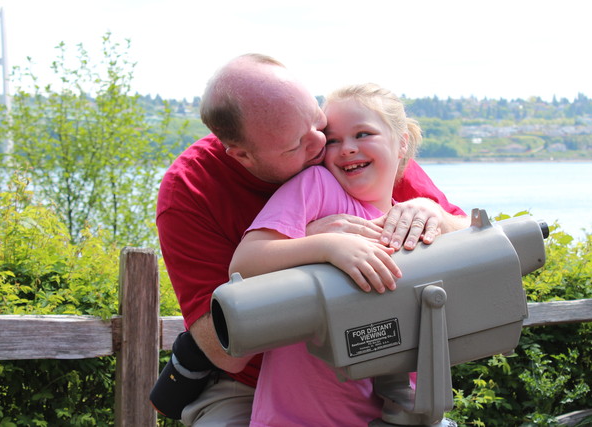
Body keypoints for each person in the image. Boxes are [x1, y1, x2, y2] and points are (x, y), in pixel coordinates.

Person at [156, 54, 467, 425]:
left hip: (373, 375)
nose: (323, 146)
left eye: (319, 124)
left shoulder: (343, 146)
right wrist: (308, 245)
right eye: (297, 146)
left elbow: (463, 231)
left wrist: (433, 214)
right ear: (242, 154)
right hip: (250, 385)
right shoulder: (190, 191)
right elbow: (226, 350)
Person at [230, 83, 457, 426]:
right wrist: (328, 247)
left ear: (402, 142)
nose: (347, 149)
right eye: (333, 140)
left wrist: (435, 214)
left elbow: (481, 240)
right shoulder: (318, 187)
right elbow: (244, 264)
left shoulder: (414, 219)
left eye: (363, 134)